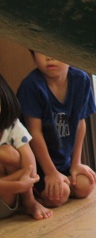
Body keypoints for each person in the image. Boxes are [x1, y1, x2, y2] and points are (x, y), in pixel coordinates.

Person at [18, 51, 96, 208]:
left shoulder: (81, 80)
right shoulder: (31, 85)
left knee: (84, 186)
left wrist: (76, 163)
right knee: (59, 196)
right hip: (39, 166)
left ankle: (63, 180)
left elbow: (80, 122)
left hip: (64, 161)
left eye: (55, 51)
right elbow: (34, 133)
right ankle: (35, 192)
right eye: (41, 52)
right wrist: (50, 172)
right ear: (33, 57)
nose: (49, 57)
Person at [0, 74, 52, 220]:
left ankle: (29, 202)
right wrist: (18, 184)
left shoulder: (12, 126)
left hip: (5, 200)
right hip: (10, 187)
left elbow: (29, 164)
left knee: (11, 154)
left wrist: (26, 182)